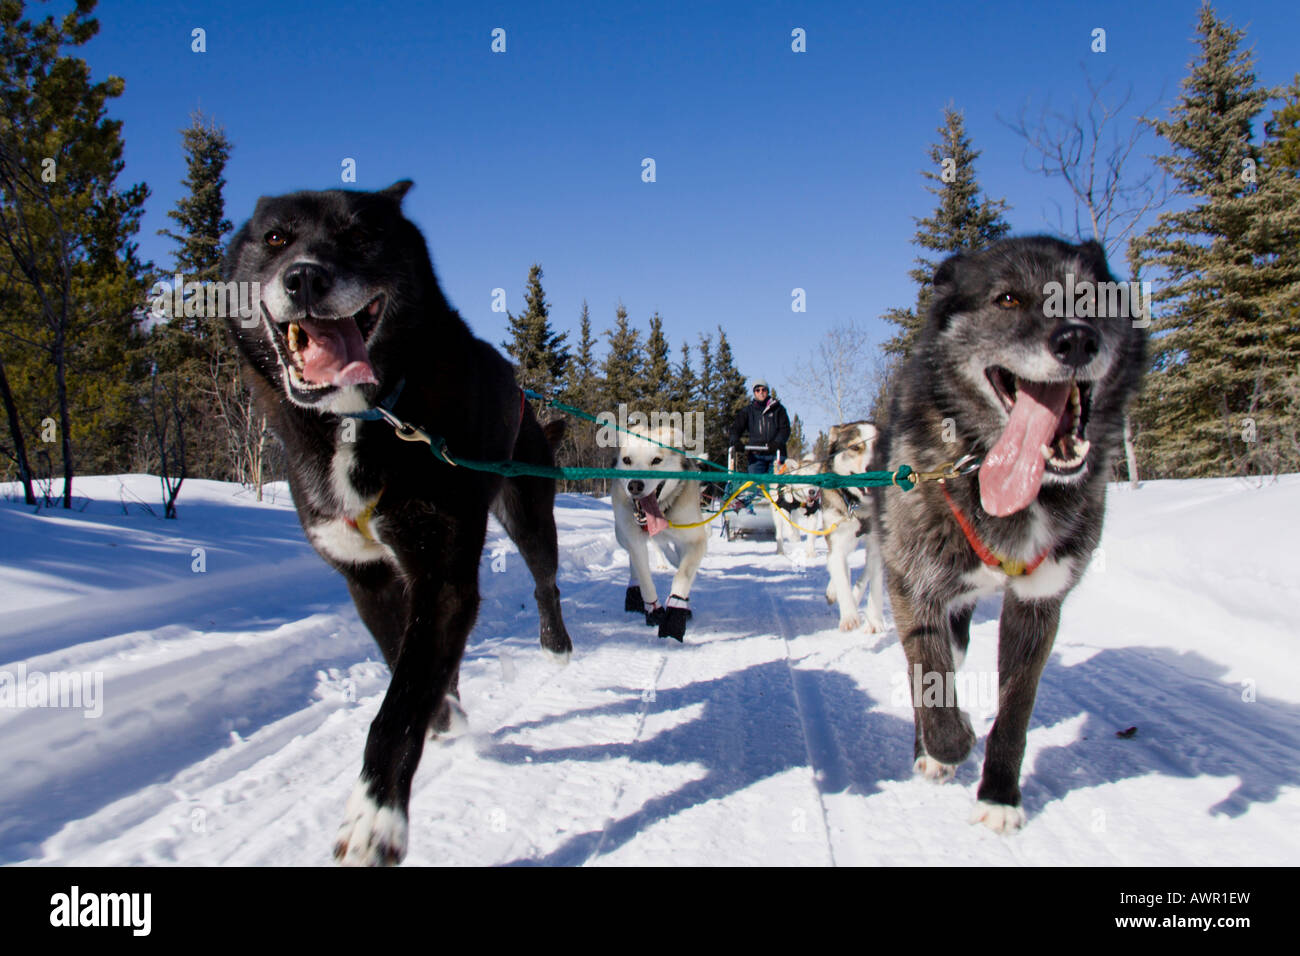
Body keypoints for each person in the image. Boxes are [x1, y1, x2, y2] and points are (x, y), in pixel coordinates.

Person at [729, 379, 790, 476]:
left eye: (763, 390)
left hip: (776, 453)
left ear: (767, 391)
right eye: (757, 390)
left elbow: (785, 429)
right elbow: (736, 428)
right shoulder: (748, 411)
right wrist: (735, 441)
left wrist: (777, 442)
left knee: (776, 483)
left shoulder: (778, 409)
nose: (761, 392)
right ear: (754, 393)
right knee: (755, 482)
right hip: (756, 455)